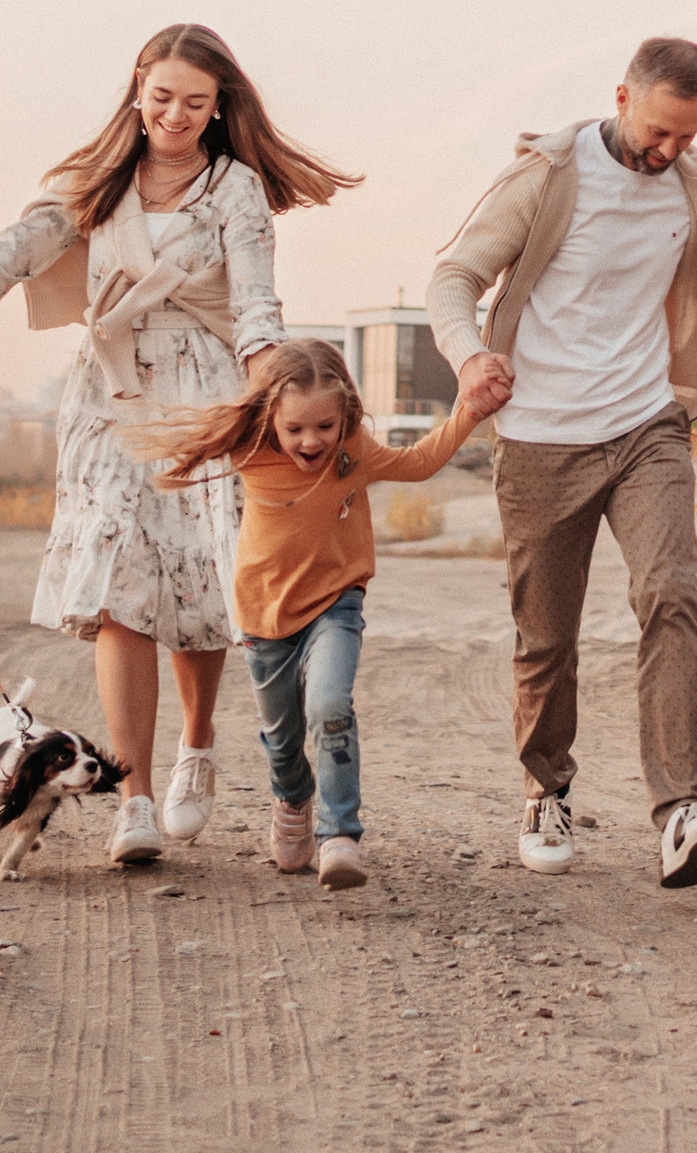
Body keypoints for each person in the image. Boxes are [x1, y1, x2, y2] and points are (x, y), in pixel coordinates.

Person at [0, 21, 356, 866]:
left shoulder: (235, 191)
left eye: (196, 103)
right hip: (110, 400)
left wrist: (273, 398)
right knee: (116, 588)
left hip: (209, 396)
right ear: (138, 88)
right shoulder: (93, 181)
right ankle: (132, 796)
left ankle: (198, 749)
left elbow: (256, 310)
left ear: (220, 109)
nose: (176, 114)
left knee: (205, 580)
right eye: (164, 96)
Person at [427, 35, 697, 887]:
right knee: (546, 639)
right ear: (621, 97)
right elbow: (454, 275)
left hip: (644, 425)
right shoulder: (548, 175)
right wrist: (467, 356)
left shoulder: (690, 190)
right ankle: (546, 789)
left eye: (688, 137)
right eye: (659, 132)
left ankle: (684, 810)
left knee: (672, 595)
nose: (668, 152)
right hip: (541, 435)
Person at [145, 337, 500, 890]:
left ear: (344, 417)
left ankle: (339, 835)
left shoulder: (351, 451)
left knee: (330, 706)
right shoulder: (251, 448)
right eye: (296, 429)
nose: (311, 441)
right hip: (265, 619)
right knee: (283, 739)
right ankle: (292, 800)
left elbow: (420, 461)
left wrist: (469, 411)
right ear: (272, 420)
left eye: (324, 427)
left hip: (336, 602)